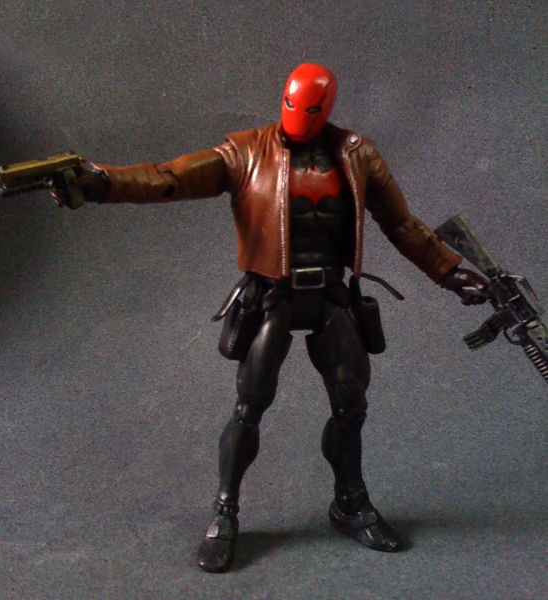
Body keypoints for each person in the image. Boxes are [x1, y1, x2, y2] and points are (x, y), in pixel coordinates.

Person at [52, 63, 488, 572]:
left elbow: (402, 224)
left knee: (351, 404)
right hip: (271, 296)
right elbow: (168, 178)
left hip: (331, 295)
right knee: (250, 405)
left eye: (310, 109)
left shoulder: (357, 155)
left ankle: (350, 503)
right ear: (283, 99)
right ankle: (224, 512)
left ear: (327, 108)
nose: (299, 116)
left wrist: (448, 271)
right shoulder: (245, 152)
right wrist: (102, 183)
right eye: (292, 105)